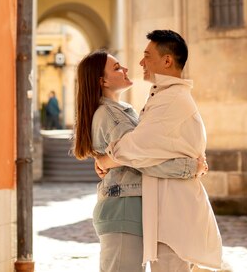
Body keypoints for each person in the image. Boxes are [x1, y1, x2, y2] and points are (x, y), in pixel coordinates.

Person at [97, 30, 222, 271]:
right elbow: (144, 154)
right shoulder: (164, 96)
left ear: (167, 61)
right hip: (166, 214)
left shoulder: (172, 99)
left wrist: (107, 159)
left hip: (174, 215)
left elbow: (135, 147)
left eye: (147, 55)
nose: (141, 62)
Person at [73, 49, 207, 272]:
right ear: (102, 81)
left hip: (131, 207)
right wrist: (189, 167)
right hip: (123, 209)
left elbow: (143, 152)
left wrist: (108, 161)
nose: (125, 68)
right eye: (116, 68)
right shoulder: (110, 115)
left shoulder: (123, 111)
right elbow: (140, 159)